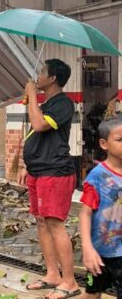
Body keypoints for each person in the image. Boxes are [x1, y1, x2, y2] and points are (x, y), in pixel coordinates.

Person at [19, 59, 80, 299]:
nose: (38, 76)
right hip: (38, 171)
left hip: (55, 172)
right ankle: (52, 274)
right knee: (41, 222)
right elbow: (34, 134)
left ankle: (70, 282)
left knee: (55, 224)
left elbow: (39, 124)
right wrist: (27, 165)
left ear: (53, 78)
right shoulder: (49, 103)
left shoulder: (63, 103)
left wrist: (32, 95)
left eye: (42, 72)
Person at [79, 119, 122, 299]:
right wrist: (87, 248)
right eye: (120, 139)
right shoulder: (97, 176)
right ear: (104, 144)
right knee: (92, 293)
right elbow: (85, 214)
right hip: (100, 253)